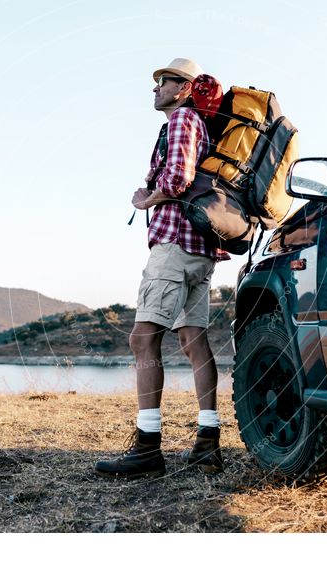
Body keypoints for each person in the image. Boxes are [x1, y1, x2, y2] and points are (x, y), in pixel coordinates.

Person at [94, 58, 229, 479]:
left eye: (164, 82)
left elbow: (177, 179)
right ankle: (208, 442)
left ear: (184, 88)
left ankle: (147, 447)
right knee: (193, 339)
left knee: (142, 338)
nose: (156, 88)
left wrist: (145, 199)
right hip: (200, 248)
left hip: (175, 245)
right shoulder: (195, 123)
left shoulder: (182, 120)